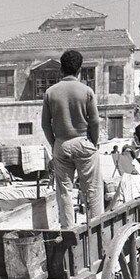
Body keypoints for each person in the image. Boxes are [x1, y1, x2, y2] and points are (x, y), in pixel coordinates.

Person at [41, 49, 103, 228]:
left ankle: (68, 231)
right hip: (84, 141)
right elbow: (95, 122)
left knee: (64, 192)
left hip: (61, 143)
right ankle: (96, 230)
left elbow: (45, 125)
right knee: (92, 190)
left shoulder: (50, 92)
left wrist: (55, 144)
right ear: (80, 70)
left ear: (61, 69)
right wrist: (94, 142)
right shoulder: (86, 91)